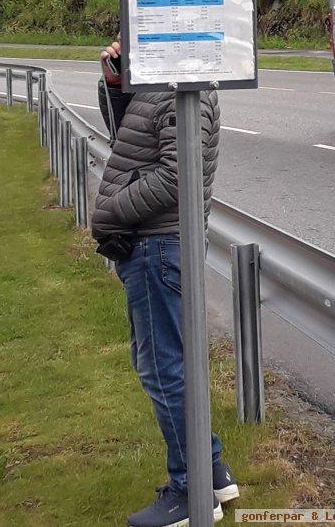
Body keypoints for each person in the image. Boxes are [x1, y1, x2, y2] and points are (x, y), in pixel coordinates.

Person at [93, 37, 239, 527]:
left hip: (158, 245)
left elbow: (179, 176)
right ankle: (211, 470)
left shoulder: (185, 85)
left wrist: (111, 210)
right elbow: (127, 143)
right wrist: (117, 85)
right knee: (160, 363)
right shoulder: (158, 83)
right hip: (153, 245)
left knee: (164, 369)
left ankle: (189, 489)